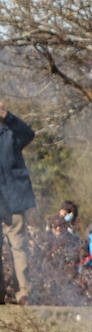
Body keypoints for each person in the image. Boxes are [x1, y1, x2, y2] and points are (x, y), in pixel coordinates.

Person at [0, 102, 36, 303]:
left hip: (14, 198)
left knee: (19, 246)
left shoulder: (11, 132)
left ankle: (23, 293)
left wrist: (8, 116)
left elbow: (29, 134)